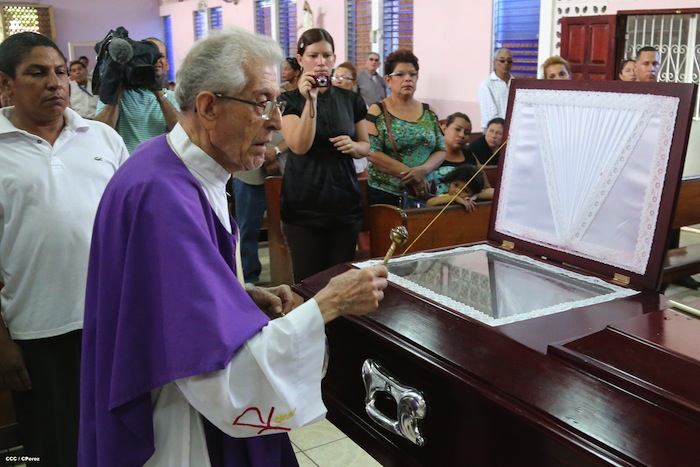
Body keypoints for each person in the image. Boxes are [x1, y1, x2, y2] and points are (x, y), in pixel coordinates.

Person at [78, 26, 389, 467]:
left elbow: (167, 299)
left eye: (277, 102)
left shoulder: (177, 167)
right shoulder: (162, 196)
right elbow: (208, 367)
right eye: (262, 102)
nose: (277, 122)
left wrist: (237, 295)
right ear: (208, 107)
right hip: (180, 420)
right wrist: (327, 305)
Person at [0, 31, 128, 467]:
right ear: (6, 84)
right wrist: (1, 341)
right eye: (37, 73)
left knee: (119, 438)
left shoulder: (102, 138)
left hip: (111, 321)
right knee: (55, 446)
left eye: (59, 72)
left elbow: (133, 226)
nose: (55, 83)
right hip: (38, 329)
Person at [279, 28, 370, 282]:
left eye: (327, 56)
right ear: (300, 59)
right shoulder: (288, 99)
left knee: (341, 282)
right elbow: (299, 145)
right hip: (304, 207)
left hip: (344, 204)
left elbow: (365, 145)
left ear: (334, 58)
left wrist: (353, 146)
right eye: (313, 56)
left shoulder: (351, 100)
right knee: (309, 284)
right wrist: (311, 100)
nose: (321, 62)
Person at [366, 49, 445, 208]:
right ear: (388, 80)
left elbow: (441, 149)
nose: (408, 78)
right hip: (387, 194)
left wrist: (423, 170)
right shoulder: (377, 111)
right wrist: (412, 176)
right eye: (400, 74)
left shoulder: (429, 111)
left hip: (424, 193)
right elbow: (372, 153)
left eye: (412, 74)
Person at [94, 37, 180, 153]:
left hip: (158, 161)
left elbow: (181, 131)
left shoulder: (172, 97)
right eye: (150, 55)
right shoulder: (117, 93)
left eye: (160, 56)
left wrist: (158, 92)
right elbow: (101, 131)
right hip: (125, 161)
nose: (156, 60)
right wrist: (117, 90)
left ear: (166, 65)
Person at [435, 112, 494, 199]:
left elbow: (488, 189)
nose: (462, 135)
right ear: (444, 129)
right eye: (457, 129)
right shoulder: (431, 155)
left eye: (466, 133)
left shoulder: (470, 156)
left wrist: (474, 196)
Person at [478, 48, 513, 129]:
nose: (506, 63)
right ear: (494, 63)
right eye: (502, 60)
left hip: (512, 129)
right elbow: (489, 114)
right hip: (495, 130)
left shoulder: (515, 83)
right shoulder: (487, 84)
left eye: (509, 61)